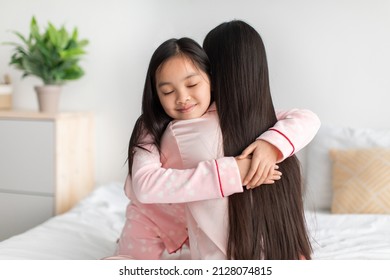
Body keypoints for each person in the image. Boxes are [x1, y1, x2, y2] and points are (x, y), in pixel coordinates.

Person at [111, 34, 319, 259]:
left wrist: (270, 144)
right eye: (168, 92)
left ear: (212, 81)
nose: (182, 98)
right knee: (127, 264)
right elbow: (145, 185)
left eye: (192, 84)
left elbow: (306, 118)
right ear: (156, 95)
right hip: (152, 219)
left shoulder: (221, 113)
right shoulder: (148, 127)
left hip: (193, 221)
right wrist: (231, 172)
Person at [183, 19, 314, 259]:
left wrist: (270, 146)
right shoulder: (280, 131)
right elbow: (308, 117)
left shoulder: (192, 133)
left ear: (210, 70)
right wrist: (272, 145)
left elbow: (146, 186)